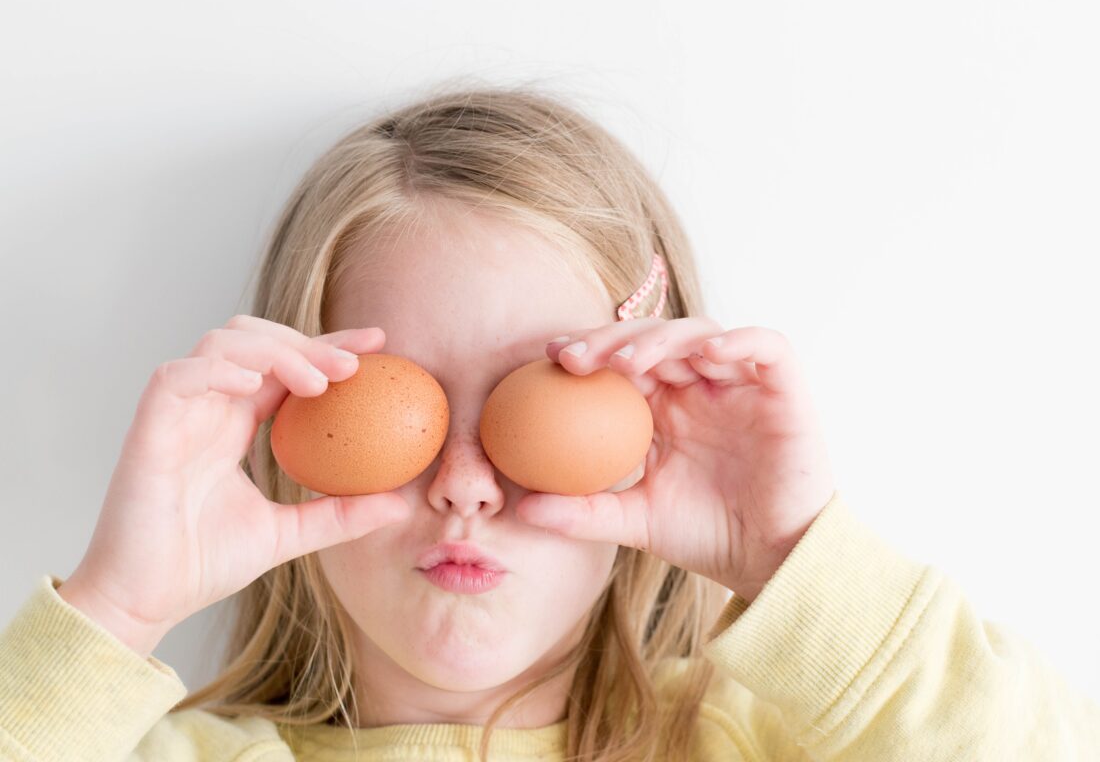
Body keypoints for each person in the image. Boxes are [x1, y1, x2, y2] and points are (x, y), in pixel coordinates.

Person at [1, 84, 1098, 762]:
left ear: (647, 421)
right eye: (405, 410)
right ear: (286, 423)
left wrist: (791, 557)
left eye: (542, 399)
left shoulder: (765, 737)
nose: (467, 484)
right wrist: (118, 606)